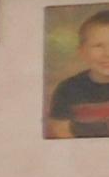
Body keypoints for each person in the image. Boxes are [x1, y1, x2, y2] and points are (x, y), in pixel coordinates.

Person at [47, 9, 109, 138]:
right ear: (82, 52)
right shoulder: (68, 89)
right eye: (98, 46)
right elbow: (60, 129)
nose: (107, 54)